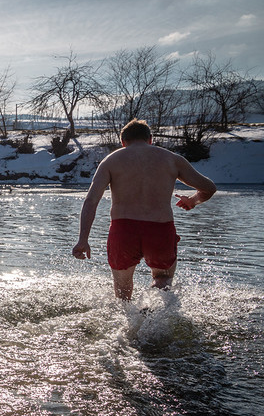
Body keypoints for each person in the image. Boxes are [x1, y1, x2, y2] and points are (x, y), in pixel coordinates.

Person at [72, 119, 217, 300]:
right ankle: (150, 310)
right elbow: (209, 188)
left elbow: (91, 201)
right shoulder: (172, 159)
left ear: (123, 142)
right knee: (162, 280)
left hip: (123, 230)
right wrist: (192, 201)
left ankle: (132, 323)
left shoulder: (111, 160)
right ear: (150, 139)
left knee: (122, 291)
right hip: (160, 229)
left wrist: (83, 240)